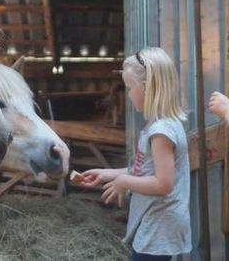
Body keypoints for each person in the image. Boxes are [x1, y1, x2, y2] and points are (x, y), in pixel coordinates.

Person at [81, 47, 191, 261]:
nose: (128, 95)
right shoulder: (156, 124)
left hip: (160, 225)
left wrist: (124, 182)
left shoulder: (161, 131)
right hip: (154, 221)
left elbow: (163, 183)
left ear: (146, 88)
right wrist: (108, 174)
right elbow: (144, 169)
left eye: (129, 88)